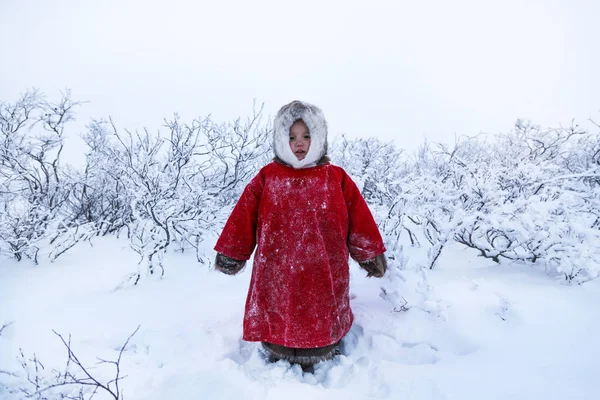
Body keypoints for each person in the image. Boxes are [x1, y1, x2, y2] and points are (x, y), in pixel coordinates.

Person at [214, 100, 387, 372]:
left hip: (323, 269)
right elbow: (243, 216)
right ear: (281, 140)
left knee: (319, 311)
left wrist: (369, 253)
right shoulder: (268, 177)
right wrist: (232, 252)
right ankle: (277, 345)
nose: (299, 143)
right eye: (291, 136)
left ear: (319, 138)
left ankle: (322, 346)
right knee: (278, 309)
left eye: (307, 136)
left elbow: (359, 219)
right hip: (277, 270)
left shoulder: (336, 178)